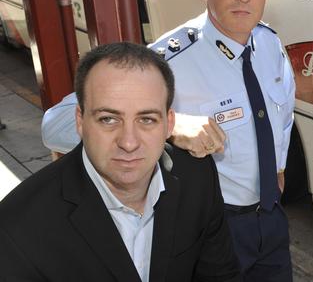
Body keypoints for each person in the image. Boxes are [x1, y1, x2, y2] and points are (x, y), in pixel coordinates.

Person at [41, 0, 296, 280]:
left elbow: (284, 110)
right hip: (213, 228)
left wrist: (279, 168)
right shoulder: (167, 61)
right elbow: (56, 126)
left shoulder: (270, 44)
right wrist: (168, 126)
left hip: (271, 221)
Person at [0, 42, 241, 281]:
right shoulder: (18, 227)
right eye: (108, 119)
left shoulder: (196, 177)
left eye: (146, 119)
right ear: (80, 121)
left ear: (169, 123)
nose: (128, 142)